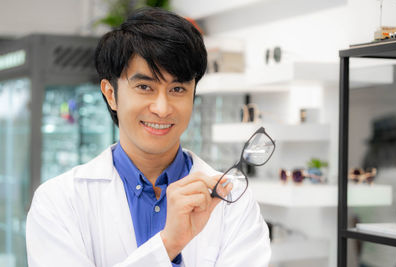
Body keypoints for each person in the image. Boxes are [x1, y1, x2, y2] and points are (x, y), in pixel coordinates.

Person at [26, 7, 271, 267]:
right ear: (111, 94)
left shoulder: (233, 203)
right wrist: (169, 245)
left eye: (177, 88)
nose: (162, 108)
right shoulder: (58, 202)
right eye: (145, 87)